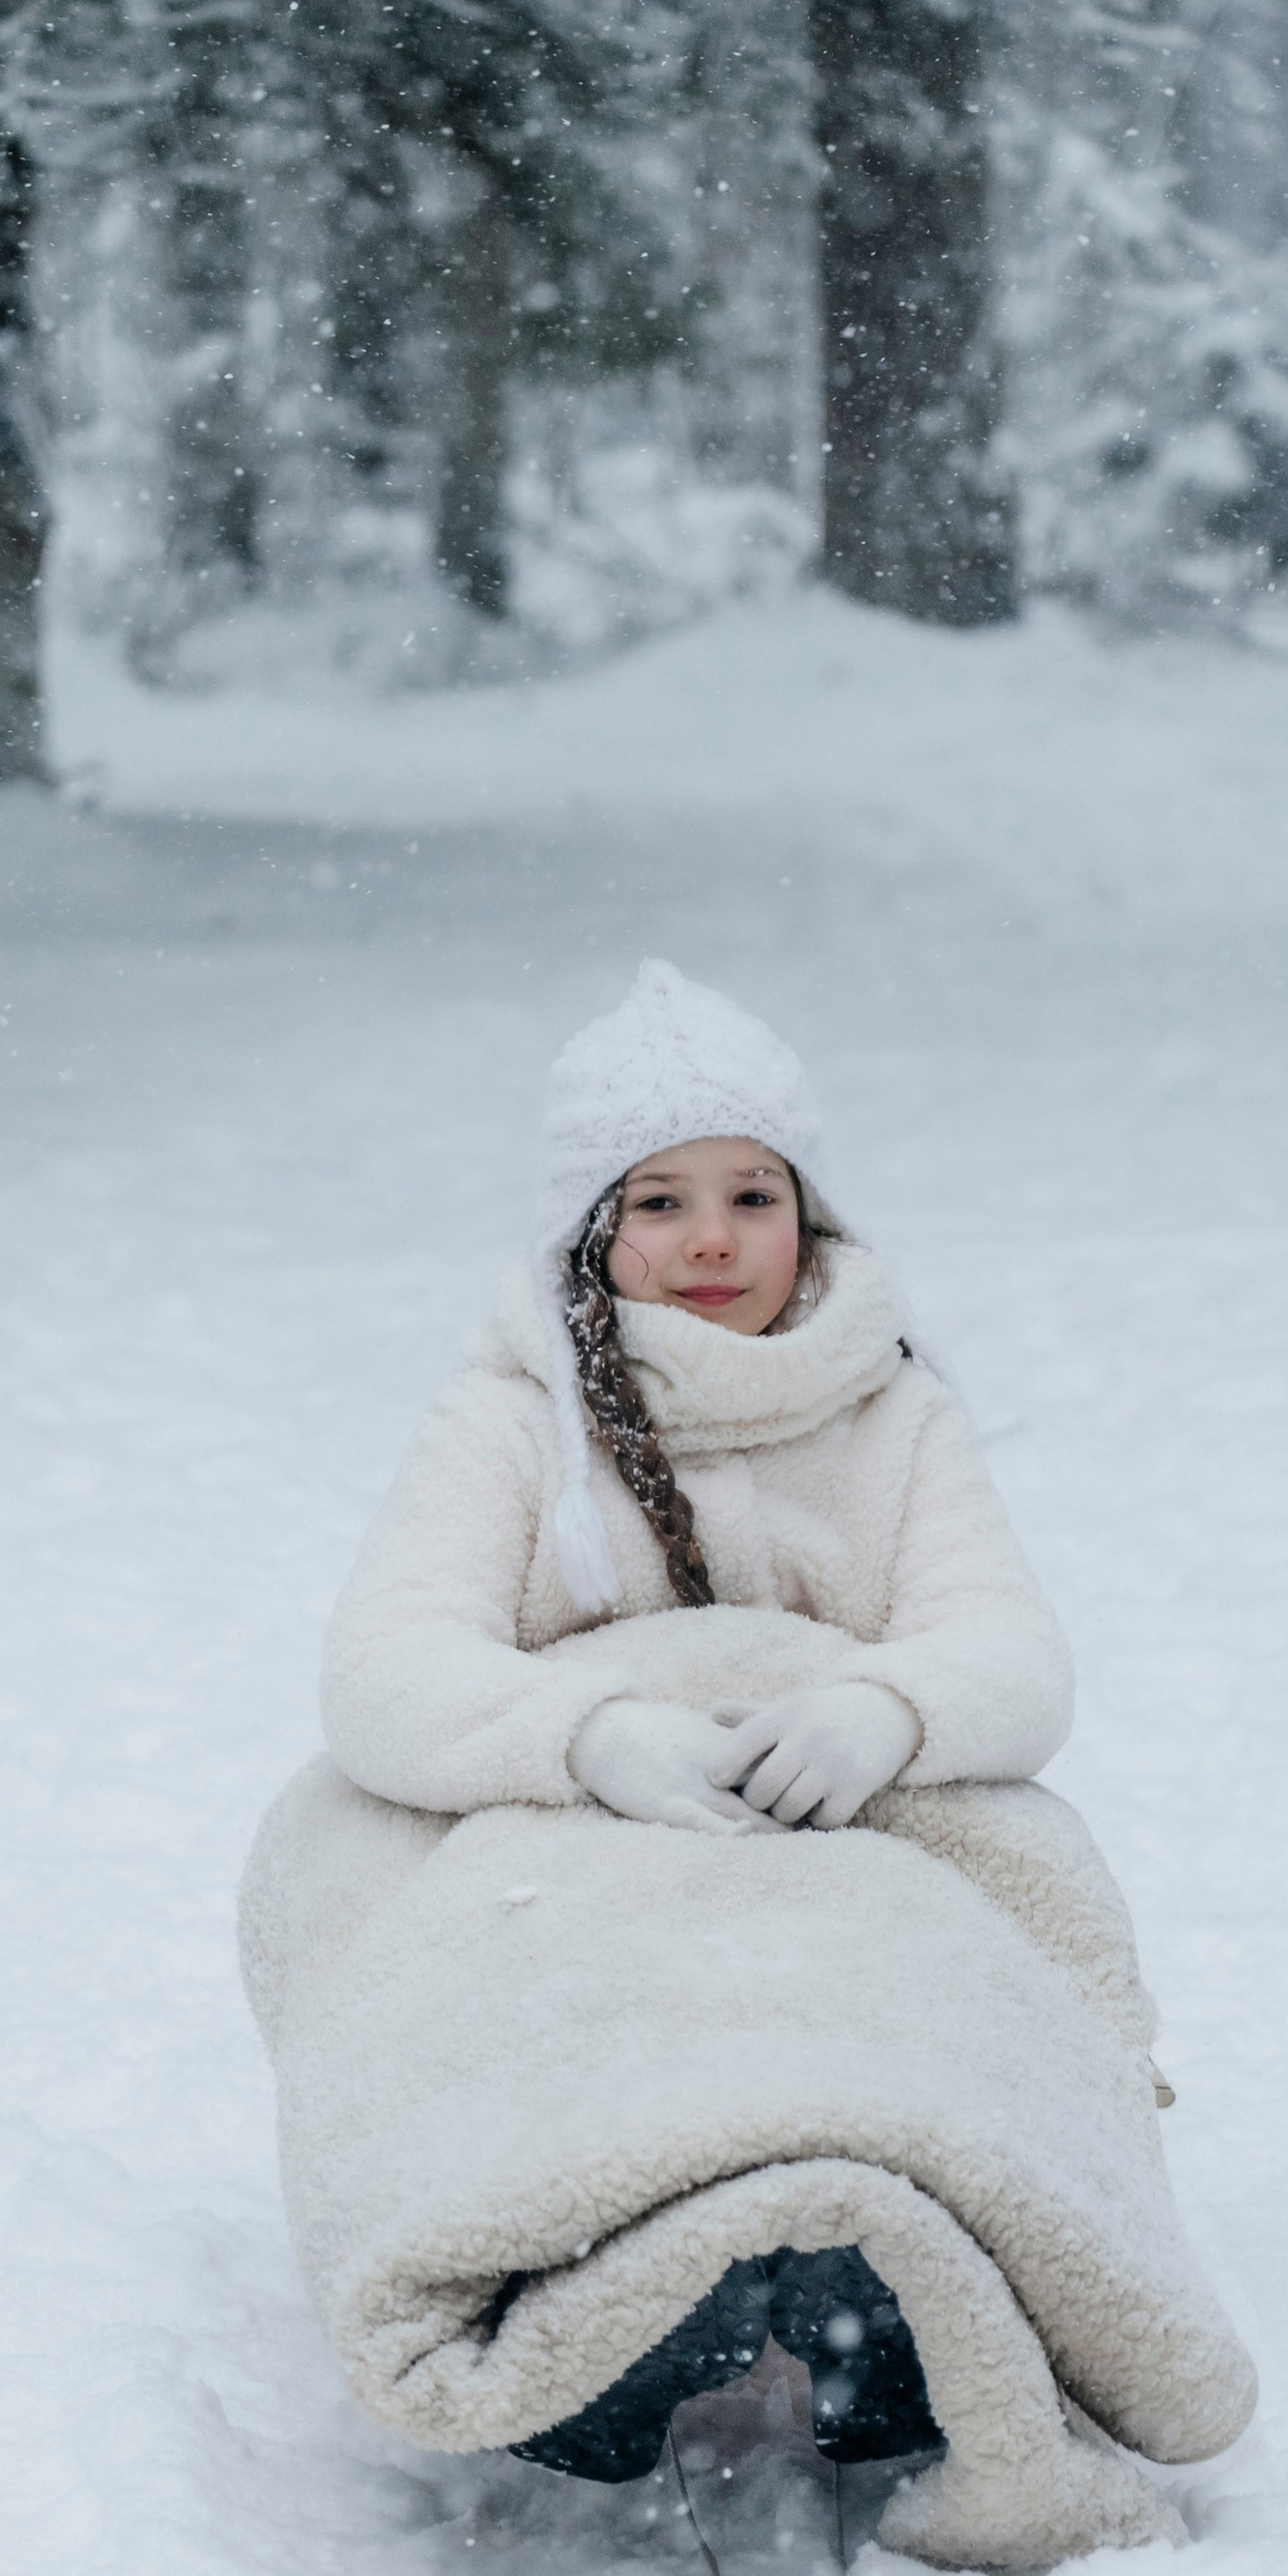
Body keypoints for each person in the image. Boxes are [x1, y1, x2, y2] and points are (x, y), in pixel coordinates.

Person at [316, 958, 1078, 2492]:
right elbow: (385, 1665)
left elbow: (1011, 1647)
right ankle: (590, 2290)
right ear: (590, 1231)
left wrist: (889, 1708)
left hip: (831, 1832)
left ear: (816, 1212)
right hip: (581, 1844)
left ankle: (893, 2278)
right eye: (657, 1202)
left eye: (753, 1193)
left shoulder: (894, 1414)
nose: (714, 1240)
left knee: (911, 1964)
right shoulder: (513, 1418)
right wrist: (588, 1738)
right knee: (472, 1942)